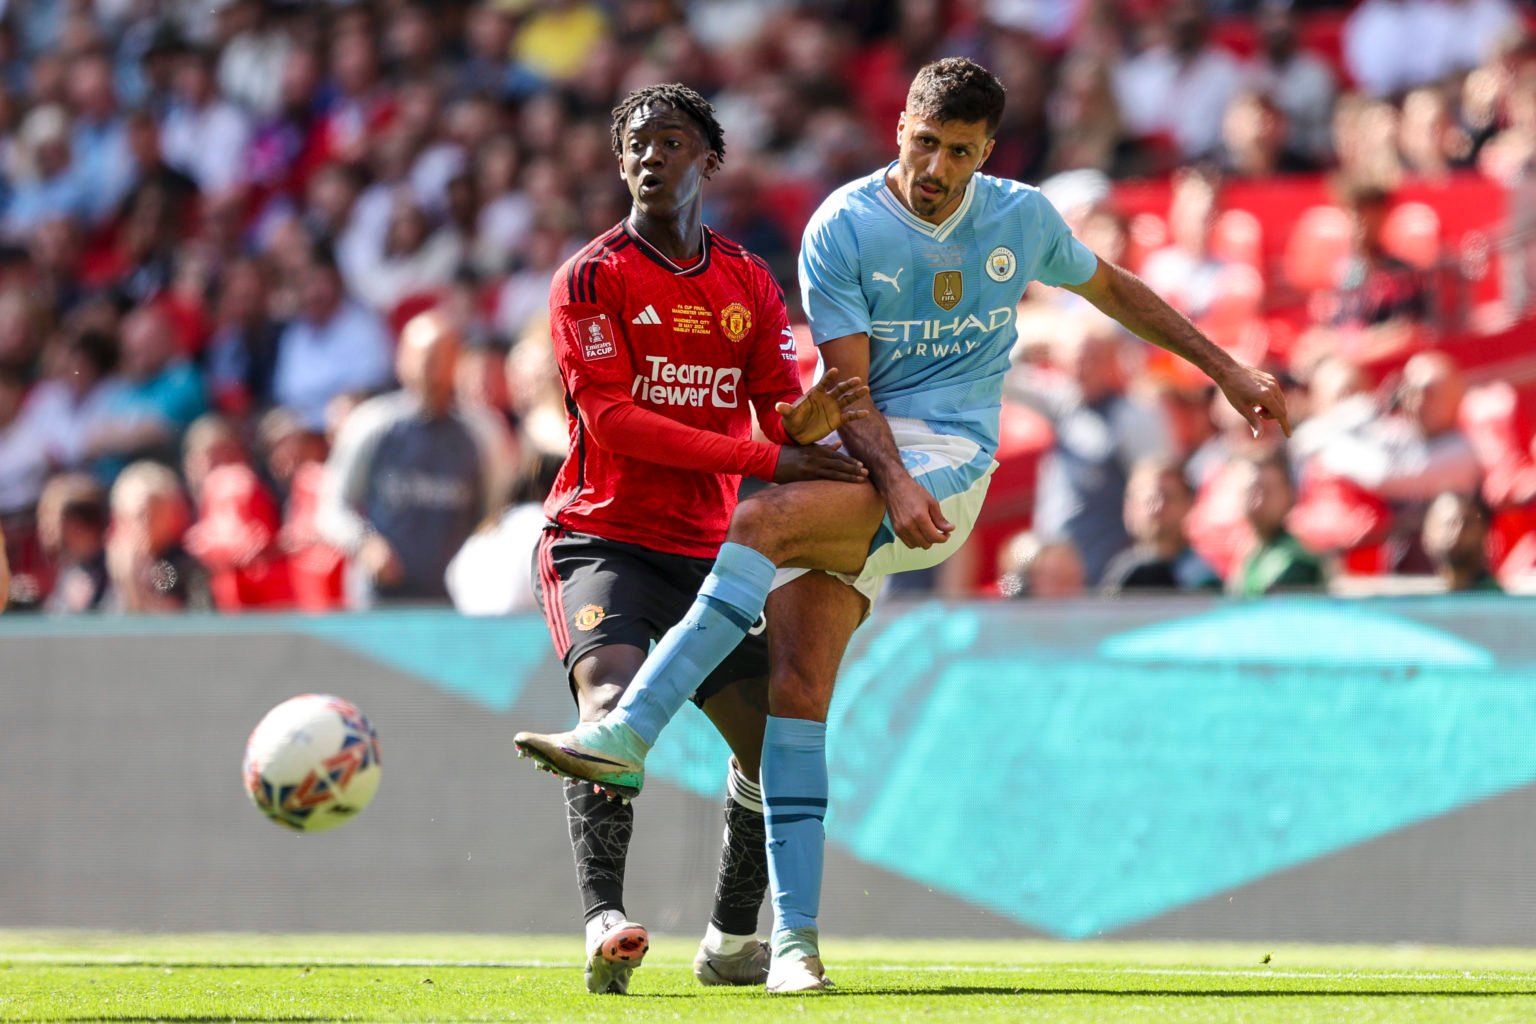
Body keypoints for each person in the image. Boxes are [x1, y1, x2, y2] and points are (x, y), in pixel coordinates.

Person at [513, 58, 1289, 993]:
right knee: (797, 691)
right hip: (863, 470)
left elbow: (1115, 289)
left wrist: (1229, 369)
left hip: (947, 466)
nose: (936, 167)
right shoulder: (842, 227)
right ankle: (788, 949)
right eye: (925, 143)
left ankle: (631, 730)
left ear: (985, 152)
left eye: (959, 152)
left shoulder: (1019, 218)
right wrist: (844, 453)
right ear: (901, 130)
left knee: (759, 522)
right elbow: (844, 388)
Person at [517, 83, 869, 996]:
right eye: (635, 141)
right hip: (603, 540)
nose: (649, 155)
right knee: (608, 707)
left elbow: (780, 419)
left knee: (767, 745)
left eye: (671, 140)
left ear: (707, 160)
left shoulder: (748, 282)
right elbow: (616, 421)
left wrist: (813, 423)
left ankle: (730, 938)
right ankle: (604, 921)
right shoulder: (591, 278)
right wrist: (769, 456)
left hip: (706, 554)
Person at [316, 310, 512, 608]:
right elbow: (331, 507)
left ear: (456, 362)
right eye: (423, 358)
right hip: (381, 600)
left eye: (440, 359)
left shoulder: (481, 432)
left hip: (456, 601)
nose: (430, 370)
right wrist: (366, 544)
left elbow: (500, 513)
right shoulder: (371, 424)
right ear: (402, 360)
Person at [1099, 457, 1220, 595]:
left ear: (1188, 504)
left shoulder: (1201, 574)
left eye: (1167, 497)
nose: (1157, 507)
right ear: (1129, 507)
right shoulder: (1121, 572)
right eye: (1149, 499)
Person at [1228, 448, 1325, 597]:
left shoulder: (1296, 563)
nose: (1258, 501)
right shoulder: (1251, 553)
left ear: (1289, 495)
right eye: (1251, 491)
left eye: (1268, 491)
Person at [1422, 490, 1503, 592]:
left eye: (1467, 524)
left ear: (1486, 535)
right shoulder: (1413, 600)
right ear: (1426, 536)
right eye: (1449, 524)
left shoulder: (1495, 601)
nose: (1458, 532)